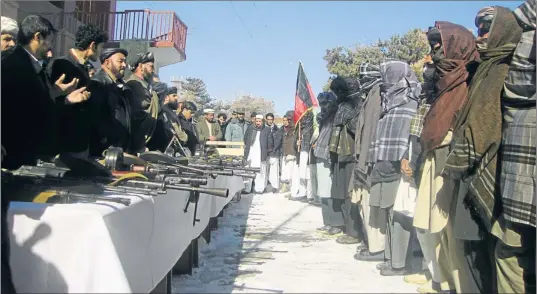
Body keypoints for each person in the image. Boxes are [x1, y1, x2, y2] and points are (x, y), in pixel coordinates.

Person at [1, 15, 89, 294]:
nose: (51, 48)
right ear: (37, 37)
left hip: (26, 160)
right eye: (49, 40)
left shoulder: (30, 66)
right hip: (13, 159)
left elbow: (34, 107)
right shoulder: (12, 66)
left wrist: (58, 96)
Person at [442, 6, 523, 293]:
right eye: (479, 29)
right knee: (473, 247)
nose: (482, 35)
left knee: (487, 250)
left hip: (495, 168)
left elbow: (488, 124)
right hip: (474, 166)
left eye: (488, 27)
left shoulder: (511, 66)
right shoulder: (483, 67)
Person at [414, 22, 480, 293]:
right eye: (433, 44)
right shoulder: (442, 81)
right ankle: (441, 280)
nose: (435, 49)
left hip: (455, 160)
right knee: (436, 226)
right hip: (435, 155)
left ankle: (458, 284)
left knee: (453, 229)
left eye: (440, 43)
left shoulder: (471, 77)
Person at [47, 23, 108, 156]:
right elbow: (51, 103)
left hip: (80, 144)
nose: (101, 51)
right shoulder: (62, 65)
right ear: (92, 45)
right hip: (64, 146)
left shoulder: (84, 67)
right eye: (101, 47)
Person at [328, 76, 364, 245]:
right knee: (339, 192)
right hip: (339, 155)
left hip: (351, 156)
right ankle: (341, 224)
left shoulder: (357, 104)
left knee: (349, 195)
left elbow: (358, 128)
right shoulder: (341, 106)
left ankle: (353, 231)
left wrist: (346, 118)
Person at [87, 47, 134, 156]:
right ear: (107, 62)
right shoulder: (98, 84)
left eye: (125, 61)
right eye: (120, 61)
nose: (124, 65)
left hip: (118, 151)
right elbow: (96, 120)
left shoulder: (120, 87)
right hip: (103, 153)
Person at [311, 92, 342, 234]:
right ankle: (327, 222)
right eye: (321, 104)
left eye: (325, 103)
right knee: (323, 192)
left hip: (329, 158)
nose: (323, 107)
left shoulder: (335, 117)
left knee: (330, 192)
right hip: (320, 156)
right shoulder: (324, 119)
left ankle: (334, 223)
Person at [126, 52, 159, 153]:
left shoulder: (145, 85)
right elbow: (136, 117)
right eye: (151, 66)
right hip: (135, 144)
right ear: (140, 66)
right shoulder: (134, 84)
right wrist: (138, 144)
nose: (153, 70)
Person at [244, 114, 273, 193]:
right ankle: (247, 189)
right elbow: (245, 138)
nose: (258, 123)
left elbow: (270, 142)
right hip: (251, 153)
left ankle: (259, 189)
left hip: (261, 154)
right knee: (248, 171)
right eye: (256, 121)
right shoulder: (250, 128)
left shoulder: (267, 129)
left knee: (260, 172)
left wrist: (267, 152)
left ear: (262, 121)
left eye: (259, 121)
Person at [280, 111, 298, 195]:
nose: (286, 121)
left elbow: (292, 141)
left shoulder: (294, 129)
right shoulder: (285, 129)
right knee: (287, 172)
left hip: (292, 153)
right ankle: (288, 187)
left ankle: (293, 189)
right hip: (286, 153)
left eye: (288, 119)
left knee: (292, 173)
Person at [265, 113, 282, 193]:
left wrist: (273, 149)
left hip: (274, 152)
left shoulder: (277, 129)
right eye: (268, 119)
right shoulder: (263, 129)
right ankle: (263, 186)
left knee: (274, 171)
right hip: (265, 153)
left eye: (271, 119)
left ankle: (275, 186)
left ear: (273, 120)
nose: (270, 121)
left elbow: (278, 141)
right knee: (264, 170)